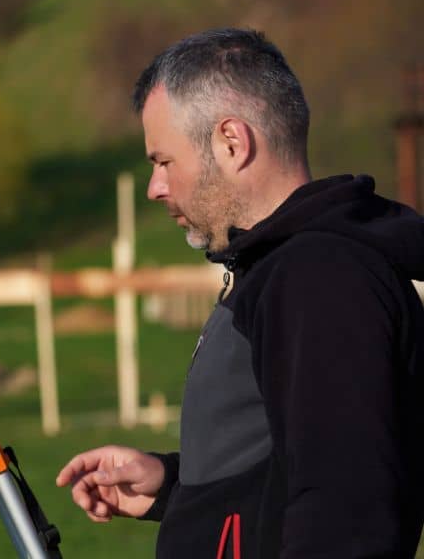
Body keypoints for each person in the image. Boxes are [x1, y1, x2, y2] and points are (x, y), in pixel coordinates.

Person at [55, 28, 424, 558]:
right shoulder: (277, 267)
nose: (156, 187)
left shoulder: (321, 275)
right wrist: (174, 483)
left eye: (163, 161)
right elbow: (286, 463)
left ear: (232, 141)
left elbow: (347, 509)